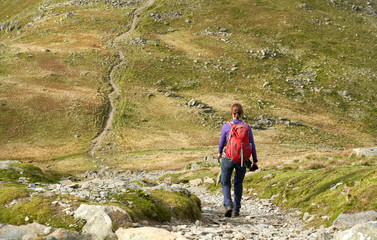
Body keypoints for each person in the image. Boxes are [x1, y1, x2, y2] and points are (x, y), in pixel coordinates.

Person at [218, 103, 258, 217]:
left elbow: (222, 142)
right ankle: (236, 210)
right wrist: (254, 160)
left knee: (225, 183)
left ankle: (228, 205)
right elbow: (252, 144)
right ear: (242, 113)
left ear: (231, 113)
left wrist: (220, 153)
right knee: (238, 183)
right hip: (242, 160)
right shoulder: (247, 127)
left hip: (228, 158)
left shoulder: (227, 126)